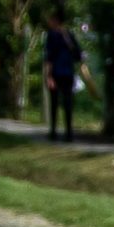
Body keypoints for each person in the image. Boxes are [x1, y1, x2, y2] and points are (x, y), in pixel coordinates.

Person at [43, 15, 84, 144]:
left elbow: (49, 56)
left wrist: (48, 76)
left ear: (55, 20)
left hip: (56, 73)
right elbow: (78, 54)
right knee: (68, 103)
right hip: (68, 73)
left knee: (55, 103)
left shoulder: (52, 35)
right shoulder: (70, 35)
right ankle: (68, 133)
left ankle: (54, 131)